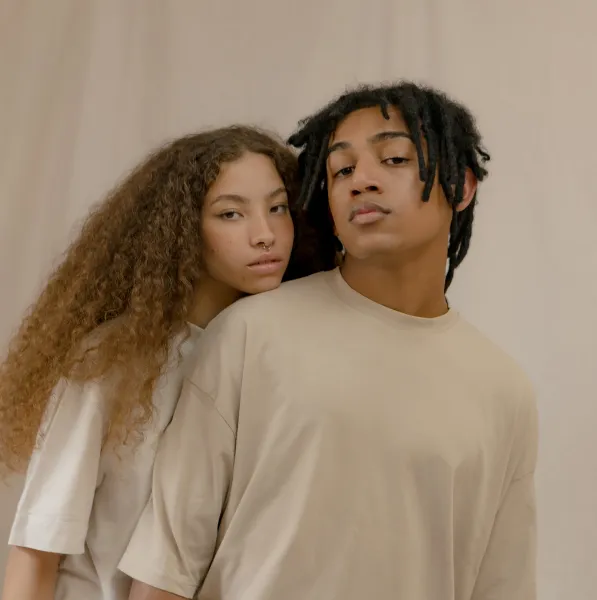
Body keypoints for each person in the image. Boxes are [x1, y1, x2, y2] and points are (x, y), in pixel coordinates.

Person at [122, 82, 538, 600]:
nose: (361, 180)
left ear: (462, 186)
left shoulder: (503, 390)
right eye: (341, 170)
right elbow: (166, 567)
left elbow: (501, 585)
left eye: (393, 158)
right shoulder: (252, 334)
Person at [0, 125, 320, 600]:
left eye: (277, 208)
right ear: (182, 230)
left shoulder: (281, 356)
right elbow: (38, 545)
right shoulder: (113, 361)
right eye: (231, 214)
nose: (265, 235)